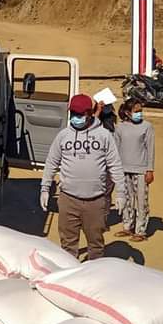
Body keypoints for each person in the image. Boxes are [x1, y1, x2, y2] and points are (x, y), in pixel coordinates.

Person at [39, 94, 126, 260]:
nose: (75, 117)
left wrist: (121, 192)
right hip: (68, 199)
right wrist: (45, 188)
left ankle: (94, 274)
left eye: (79, 114)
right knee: (67, 245)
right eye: (73, 114)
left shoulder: (104, 135)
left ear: (89, 113)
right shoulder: (63, 135)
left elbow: (115, 165)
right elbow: (51, 163)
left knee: (96, 244)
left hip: (96, 201)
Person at [114, 98, 155, 241]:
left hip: (141, 169)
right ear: (127, 112)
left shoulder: (147, 127)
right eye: (136, 111)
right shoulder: (120, 127)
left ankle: (141, 231)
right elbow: (116, 149)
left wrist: (150, 169)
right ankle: (127, 226)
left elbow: (150, 149)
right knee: (126, 198)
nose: (139, 114)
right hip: (123, 169)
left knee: (141, 201)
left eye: (140, 111)